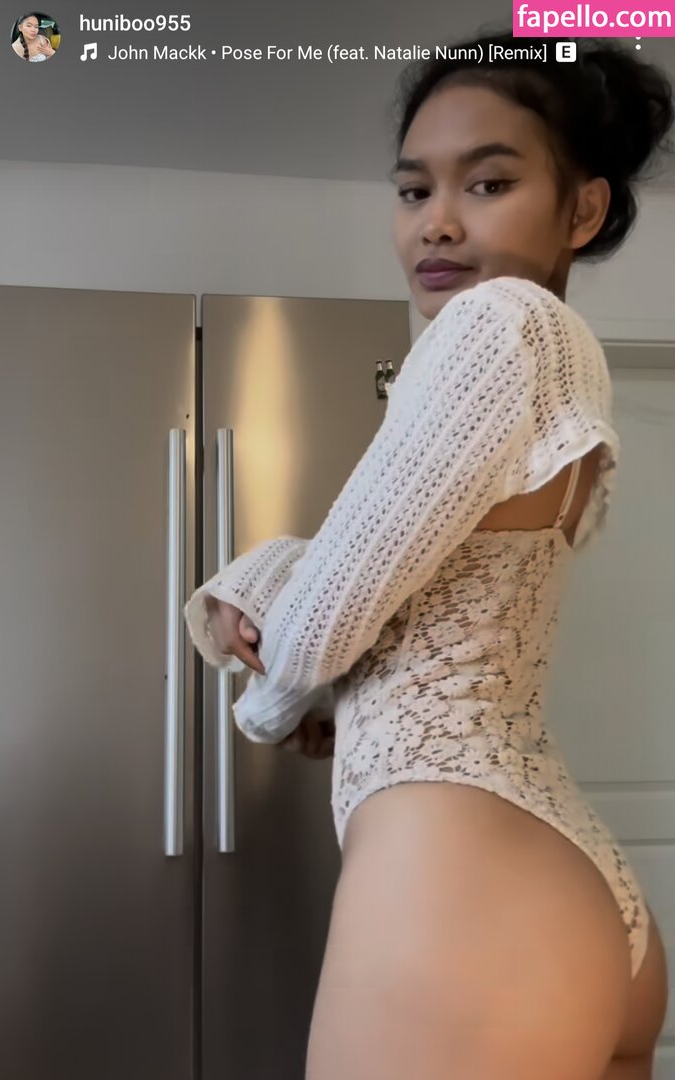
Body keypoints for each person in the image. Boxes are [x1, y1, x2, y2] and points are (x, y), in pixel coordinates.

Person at [184, 27, 673, 1080]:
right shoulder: (563, 361)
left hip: (457, 877)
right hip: (562, 879)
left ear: (582, 210)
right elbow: (422, 586)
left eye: (488, 183)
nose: (436, 222)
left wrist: (269, 704)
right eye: (413, 191)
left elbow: (320, 624)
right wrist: (295, 623)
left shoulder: (495, 323)